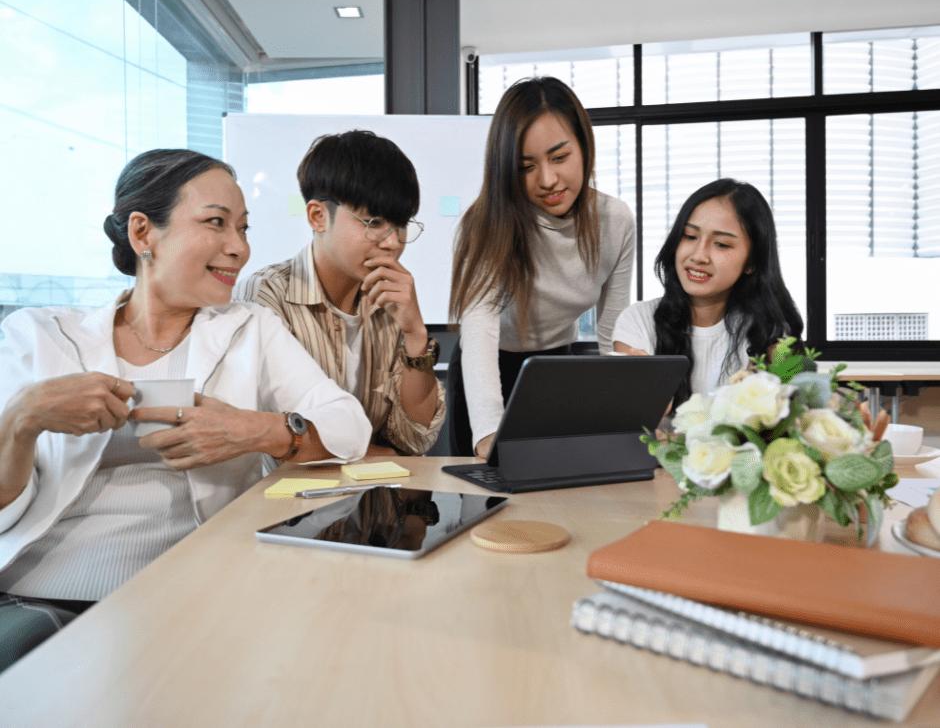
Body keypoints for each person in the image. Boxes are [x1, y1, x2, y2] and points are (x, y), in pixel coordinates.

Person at [0, 149, 370, 670]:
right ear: (143, 233)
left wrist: (256, 430)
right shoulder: (41, 335)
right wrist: (20, 420)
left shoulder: (249, 329)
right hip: (35, 595)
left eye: (243, 228)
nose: (238, 248)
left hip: (192, 585)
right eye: (216, 223)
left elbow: (348, 426)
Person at [449, 77, 635, 458]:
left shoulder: (614, 221)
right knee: (490, 497)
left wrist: (616, 417)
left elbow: (610, 329)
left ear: (584, 147)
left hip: (555, 368)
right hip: (488, 369)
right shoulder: (486, 225)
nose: (548, 180)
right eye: (526, 167)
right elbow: (479, 328)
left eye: (560, 157)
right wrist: (487, 432)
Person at [235, 131, 445, 455]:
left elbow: (414, 440)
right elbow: (278, 443)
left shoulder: (389, 300)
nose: (392, 242)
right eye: (374, 222)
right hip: (293, 505)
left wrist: (415, 334)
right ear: (318, 216)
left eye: (401, 224)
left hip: (376, 504)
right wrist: (376, 455)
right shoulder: (265, 296)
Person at [612, 178, 803, 405]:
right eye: (690, 236)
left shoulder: (772, 332)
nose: (698, 255)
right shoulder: (638, 322)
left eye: (721, 244)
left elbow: (794, 414)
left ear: (752, 261)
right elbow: (632, 423)